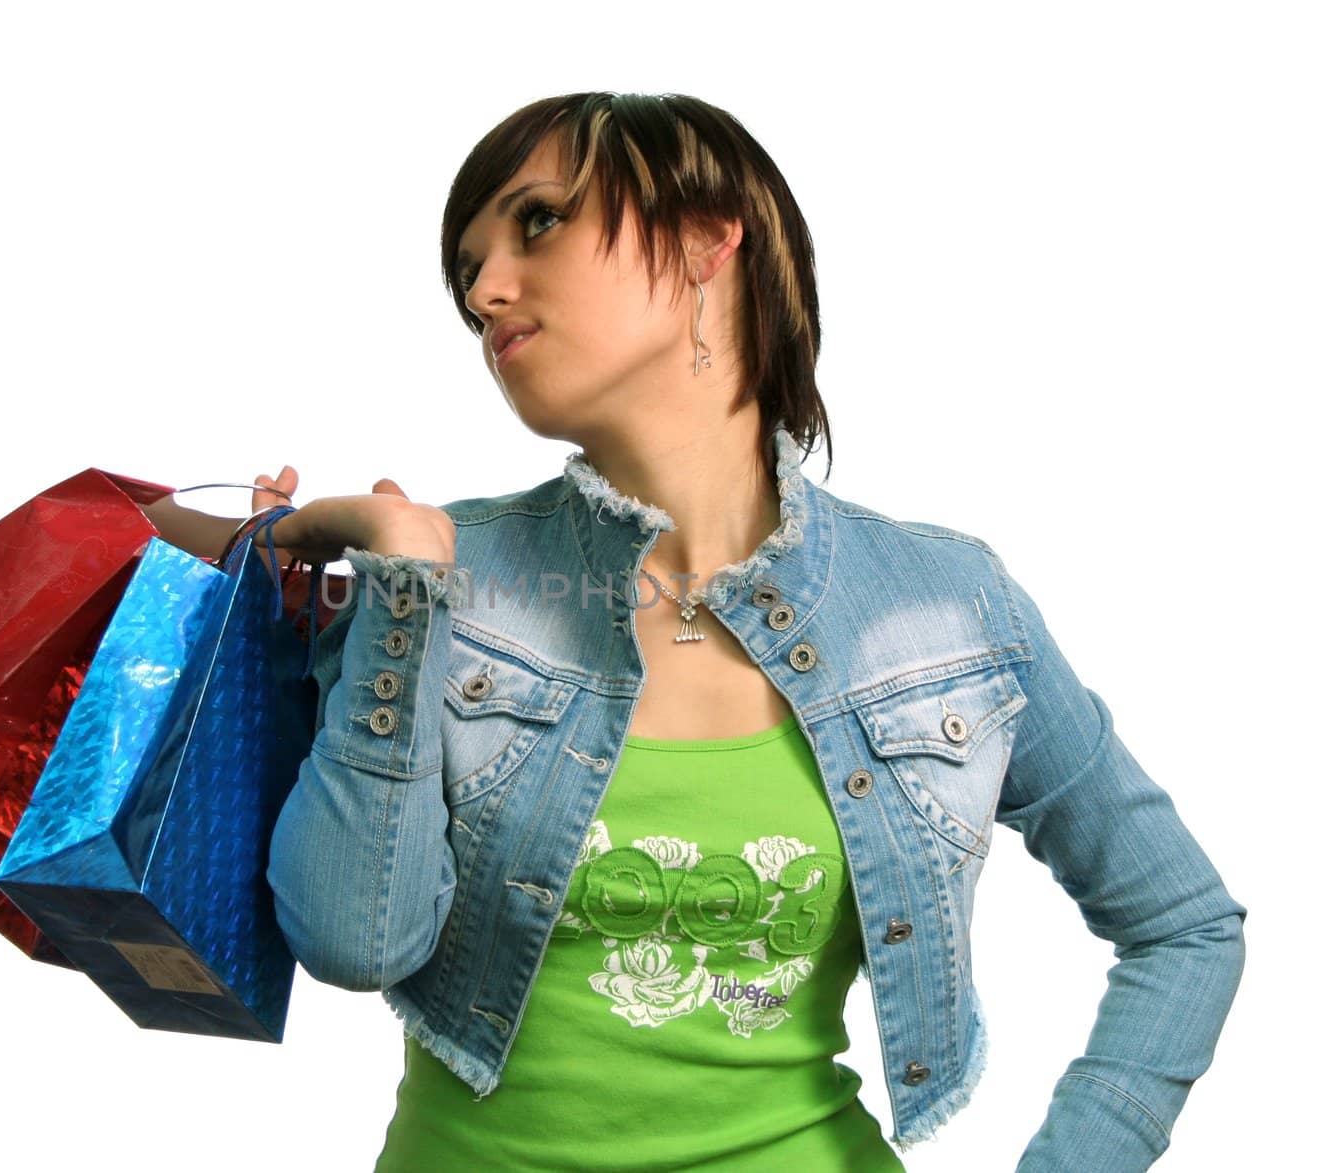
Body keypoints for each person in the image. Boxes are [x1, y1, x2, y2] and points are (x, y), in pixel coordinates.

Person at [194, 93, 1243, 1171]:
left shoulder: (945, 608)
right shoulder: (440, 582)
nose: (485, 289)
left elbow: (1184, 924)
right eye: (468, 267)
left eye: (538, 222)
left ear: (706, 238)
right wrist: (402, 595)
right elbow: (356, 943)